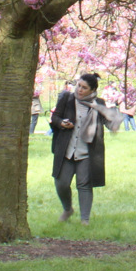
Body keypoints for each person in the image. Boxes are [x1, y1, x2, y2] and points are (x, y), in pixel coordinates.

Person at [49, 72, 122, 226]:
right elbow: (54, 118)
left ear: (92, 90)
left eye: (84, 88)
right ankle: (68, 209)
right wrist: (62, 123)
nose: (79, 90)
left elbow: (108, 121)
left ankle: (85, 221)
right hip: (67, 150)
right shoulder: (67, 98)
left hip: (87, 152)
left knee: (84, 185)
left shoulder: (98, 103)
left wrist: (115, 122)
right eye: (79, 86)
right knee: (61, 183)